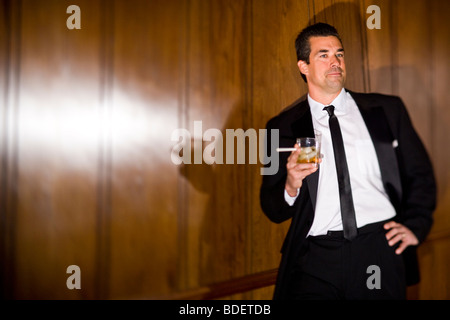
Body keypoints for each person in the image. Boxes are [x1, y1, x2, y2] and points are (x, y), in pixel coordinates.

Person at [260, 22, 436, 300]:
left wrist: (416, 225)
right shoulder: (277, 129)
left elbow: (420, 174)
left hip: (378, 248)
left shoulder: (387, 110)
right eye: (323, 55)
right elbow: (270, 206)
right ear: (303, 66)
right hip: (316, 258)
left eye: (339, 54)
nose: (335, 62)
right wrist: (291, 184)